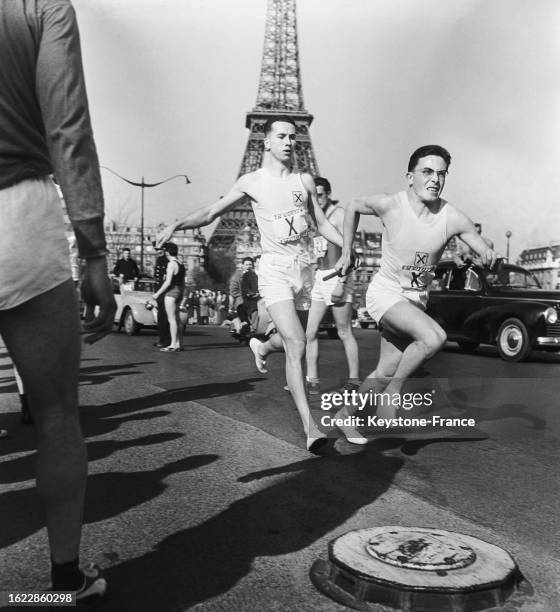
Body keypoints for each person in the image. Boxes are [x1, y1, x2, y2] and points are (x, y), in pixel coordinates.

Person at [0, 0, 115, 599]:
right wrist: (94, 253)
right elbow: (67, 127)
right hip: (18, 218)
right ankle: (62, 583)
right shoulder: (42, 6)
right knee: (56, 418)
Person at [157, 116, 349, 451]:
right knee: (297, 344)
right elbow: (210, 213)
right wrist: (176, 226)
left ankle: (261, 346)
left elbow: (319, 222)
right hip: (274, 270)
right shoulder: (253, 181)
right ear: (267, 142)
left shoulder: (304, 180)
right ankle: (310, 428)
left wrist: (348, 249)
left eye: (293, 136)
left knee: (292, 340)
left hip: (303, 271)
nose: (289, 141)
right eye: (282, 136)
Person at [336, 145, 497, 440]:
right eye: (427, 172)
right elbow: (353, 205)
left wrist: (487, 253)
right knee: (434, 338)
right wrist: (347, 250)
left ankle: (345, 416)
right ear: (410, 177)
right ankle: (393, 394)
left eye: (441, 173)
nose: (434, 179)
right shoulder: (390, 205)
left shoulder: (452, 216)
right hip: (385, 294)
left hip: (414, 303)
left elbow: (479, 243)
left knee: (384, 372)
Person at [305, 177, 361, 398]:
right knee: (309, 332)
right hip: (320, 276)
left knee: (344, 331)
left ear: (328, 194)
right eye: (314, 195)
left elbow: (350, 254)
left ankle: (354, 380)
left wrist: (341, 282)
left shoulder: (339, 215)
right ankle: (312, 381)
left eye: (320, 195)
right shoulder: (315, 218)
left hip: (338, 274)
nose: (317, 199)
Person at [153, 242, 185, 352]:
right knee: (178, 319)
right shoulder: (181, 263)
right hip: (179, 292)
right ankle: (179, 343)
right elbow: (183, 283)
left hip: (171, 293)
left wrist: (157, 293)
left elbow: (167, 282)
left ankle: (172, 344)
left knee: (171, 320)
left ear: (167, 252)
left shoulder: (171, 264)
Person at [153, 244, 171, 348]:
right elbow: (157, 277)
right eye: (156, 249)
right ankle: (162, 339)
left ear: (164, 249)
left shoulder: (167, 260)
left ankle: (165, 340)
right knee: (161, 318)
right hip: (159, 291)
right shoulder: (159, 259)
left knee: (164, 317)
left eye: (159, 249)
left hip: (164, 291)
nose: (158, 251)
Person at [240, 257, 260, 330]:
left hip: (263, 297)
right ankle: (253, 327)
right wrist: (251, 293)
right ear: (255, 263)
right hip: (251, 299)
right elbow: (245, 287)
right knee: (255, 308)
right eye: (258, 262)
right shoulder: (248, 274)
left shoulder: (265, 273)